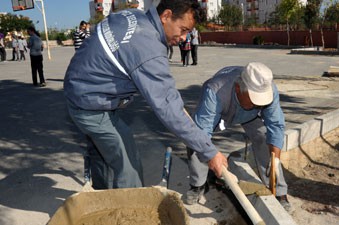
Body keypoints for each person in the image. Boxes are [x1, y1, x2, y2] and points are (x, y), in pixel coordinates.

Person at [63, 0, 227, 190]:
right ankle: (131, 214)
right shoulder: (149, 50)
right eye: (183, 29)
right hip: (91, 105)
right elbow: (168, 108)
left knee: (102, 152)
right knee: (127, 163)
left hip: (82, 90)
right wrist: (210, 152)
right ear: (166, 16)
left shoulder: (131, 16)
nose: (183, 37)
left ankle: (103, 197)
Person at [184, 62, 291, 211]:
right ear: (238, 88)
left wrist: (276, 159)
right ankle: (198, 184)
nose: (257, 104)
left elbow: (276, 125)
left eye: (261, 101)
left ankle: (279, 192)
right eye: (253, 99)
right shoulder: (215, 91)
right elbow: (202, 133)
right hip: (224, 111)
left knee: (264, 136)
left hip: (251, 117)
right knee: (196, 138)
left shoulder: (269, 88)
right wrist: (213, 158)